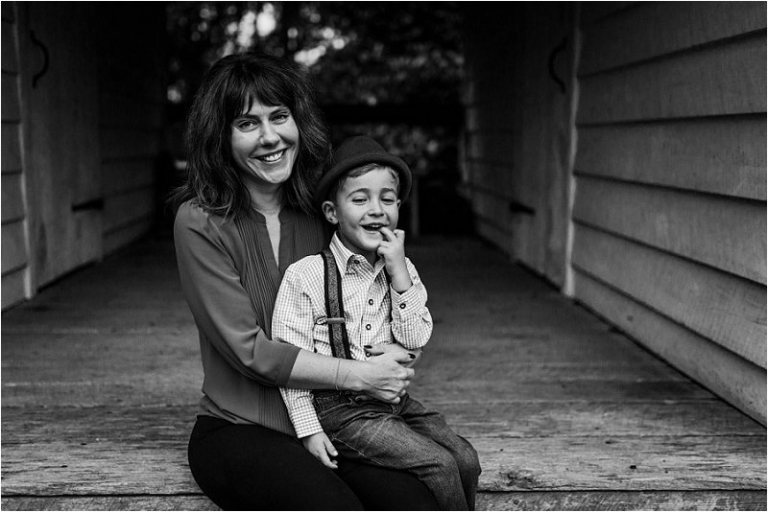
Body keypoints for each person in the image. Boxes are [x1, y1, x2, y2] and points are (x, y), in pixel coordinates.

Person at [172, 52, 440, 510]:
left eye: (280, 116)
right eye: (247, 123)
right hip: (241, 428)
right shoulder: (200, 223)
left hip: (337, 419)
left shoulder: (327, 213)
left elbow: (384, 295)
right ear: (220, 136)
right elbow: (249, 350)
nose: (270, 137)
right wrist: (360, 375)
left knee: (419, 499)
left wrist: (399, 351)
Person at [273, 135, 481, 510]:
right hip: (340, 411)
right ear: (332, 212)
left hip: (393, 403)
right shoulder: (305, 276)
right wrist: (308, 429)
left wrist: (400, 273)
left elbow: (417, 336)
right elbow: (290, 361)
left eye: (387, 199)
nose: (376, 210)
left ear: (398, 207)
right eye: (359, 199)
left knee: (465, 458)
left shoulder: (400, 268)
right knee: (439, 465)